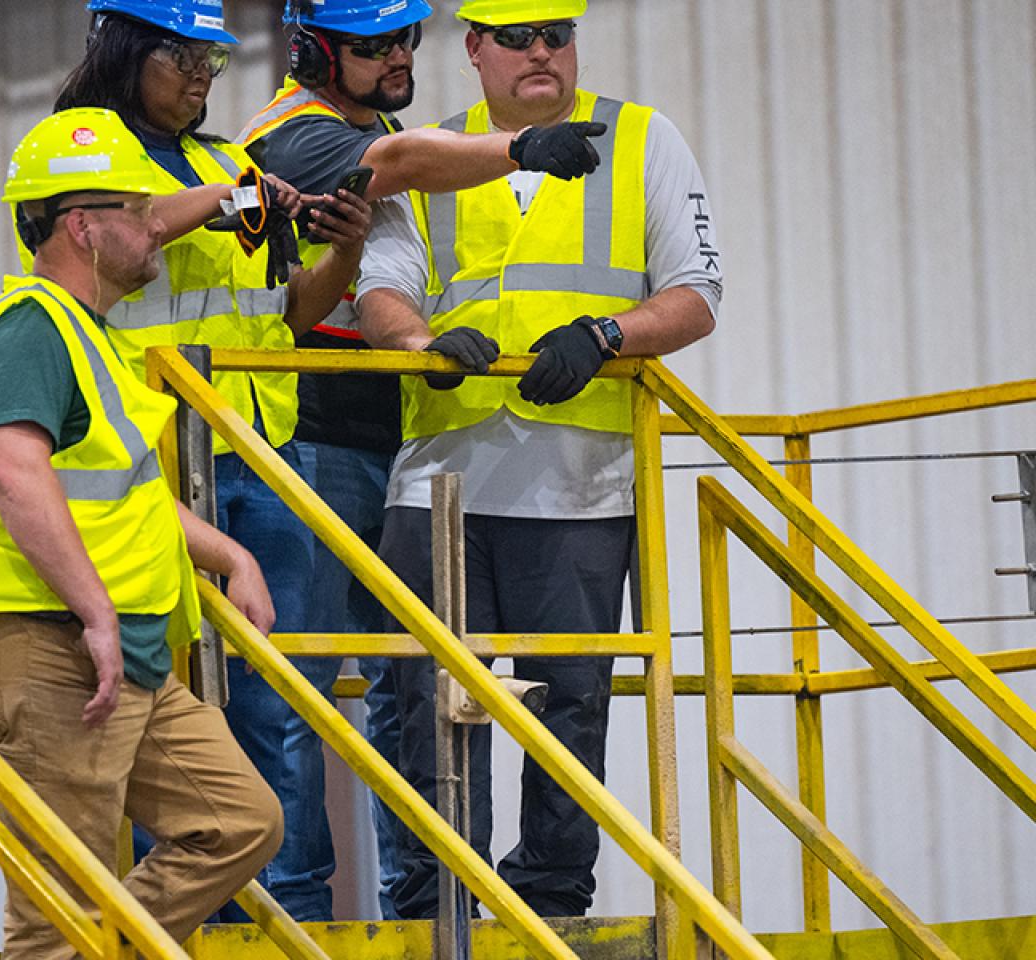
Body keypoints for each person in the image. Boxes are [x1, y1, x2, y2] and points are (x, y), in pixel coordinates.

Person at [239, 0, 610, 920]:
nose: (399, 56)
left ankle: (429, 901)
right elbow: (398, 170)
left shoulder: (389, 127)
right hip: (308, 437)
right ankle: (292, 914)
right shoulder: (290, 136)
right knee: (298, 685)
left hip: (400, 444)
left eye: (407, 38)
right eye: (372, 46)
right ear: (315, 51)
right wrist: (520, 149)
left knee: (416, 688)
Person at [355, 0, 723, 920]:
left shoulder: (641, 138)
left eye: (556, 33)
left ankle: (552, 901)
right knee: (431, 702)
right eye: (516, 38)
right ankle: (438, 900)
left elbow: (697, 292)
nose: (540, 54)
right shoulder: (429, 152)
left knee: (572, 704)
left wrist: (607, 333)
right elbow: (381, 293)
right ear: (474, 47)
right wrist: (421, 347)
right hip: (440, 480)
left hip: (583, 483)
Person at [50, 0, 372, 921]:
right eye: (181, 58)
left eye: (211, 61)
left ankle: (296, 910)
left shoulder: (230, 161)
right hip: (144, 470)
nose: (199, 77)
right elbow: (136, 228)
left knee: (280, 696)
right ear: (124, 47)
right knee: (168, 707)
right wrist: (235, 201)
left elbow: (288, 315)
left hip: (257, 457)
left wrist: (344, 249)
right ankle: (183, 919)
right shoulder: (81, 150)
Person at [0, 107, 283, 960]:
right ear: (83, 228)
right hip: (50, 640)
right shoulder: (30, 327)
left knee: (238, 821)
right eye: (136, 211)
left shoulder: (95, 341)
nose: (154, 226)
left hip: (122, 645)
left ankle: (103, 950)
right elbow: (15, 472)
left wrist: (230, 555)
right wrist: (94, 613)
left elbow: (123, 494)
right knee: (59, 901)